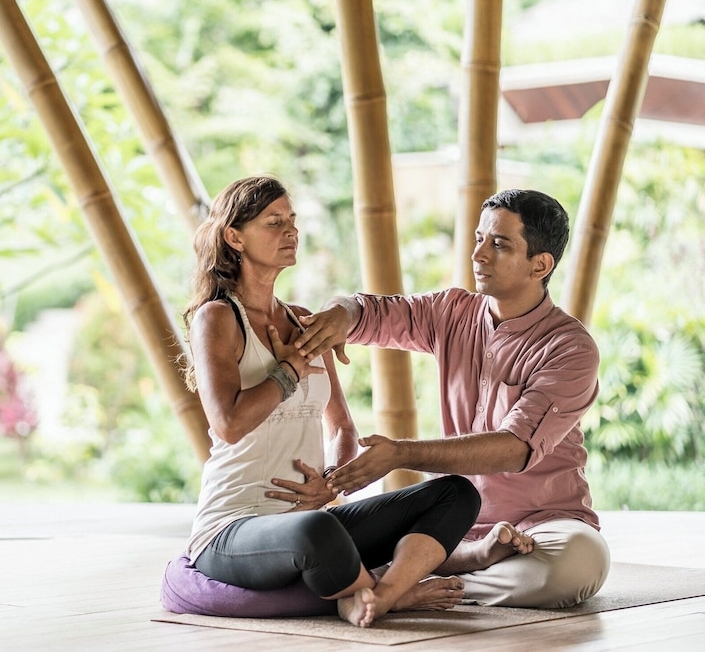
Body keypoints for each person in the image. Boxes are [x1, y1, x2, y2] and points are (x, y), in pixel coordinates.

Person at [182, 175, 481, 628]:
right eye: (273, 222)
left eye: (292, 220)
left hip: (309, 518)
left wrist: (333, 484)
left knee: (455, 492)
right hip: (234, 527)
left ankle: (385, 594)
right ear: (234, 236)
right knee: (317, 530)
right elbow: (228, 423)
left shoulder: (305, 323)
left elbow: (341, 427)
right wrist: (291, 369)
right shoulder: (217, 318)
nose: (290, 232)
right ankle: (387, 597)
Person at [295, 188, 611, 608]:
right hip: (448, 523)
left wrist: (399, 454)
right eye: (479, 239)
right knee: (327, 539)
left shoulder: (570, 348)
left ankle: (409, 581)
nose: (478, 255)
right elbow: (366, 310)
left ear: (541, 264)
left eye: (499, 244)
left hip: (544, 526)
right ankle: (449, 565)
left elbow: (514, 449)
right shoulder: (451, 312)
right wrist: (339, 313)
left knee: (577, 563)